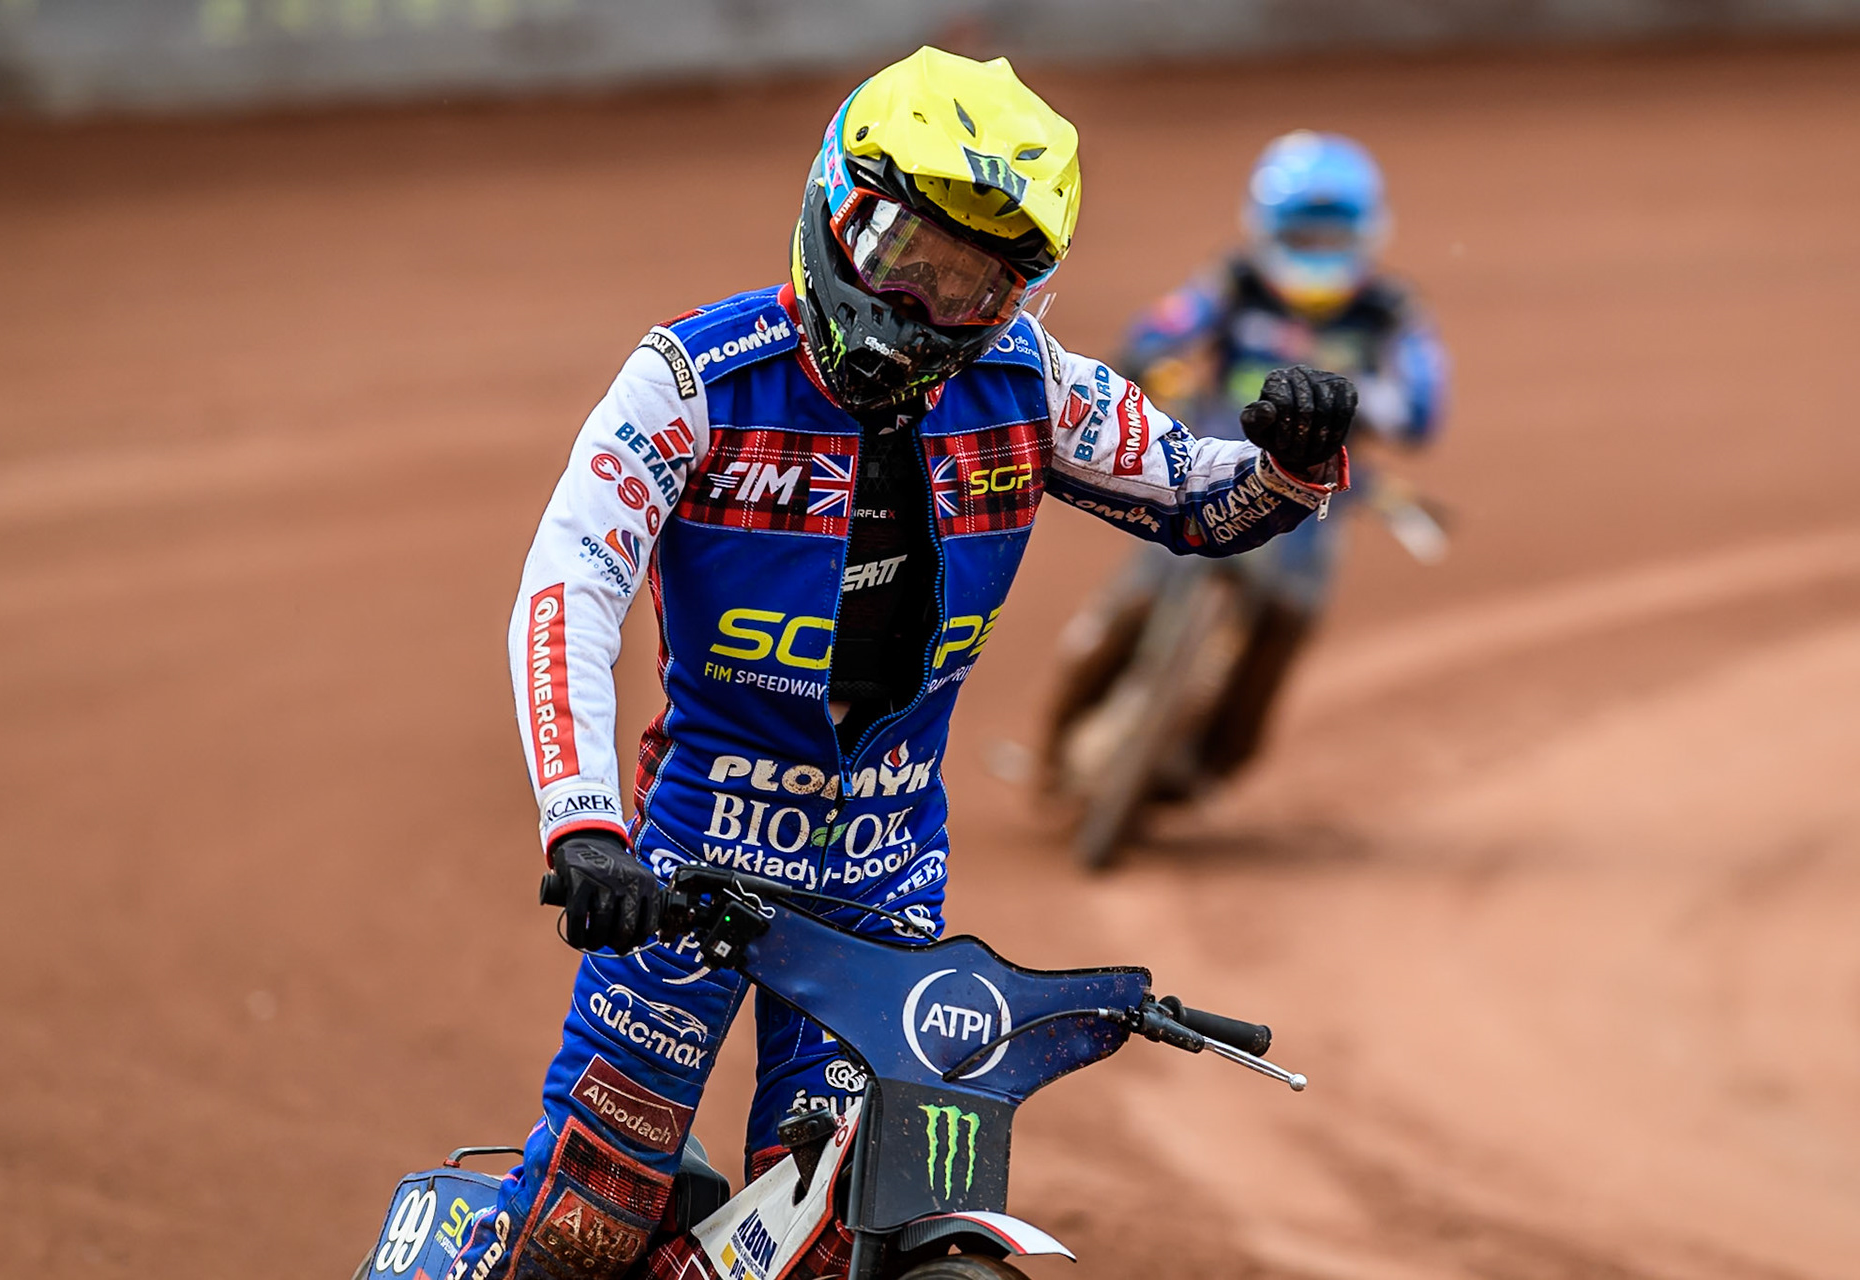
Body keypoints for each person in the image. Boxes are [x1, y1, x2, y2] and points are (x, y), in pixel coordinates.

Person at [452, 49, 1354, 1280]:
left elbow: (1205, 501)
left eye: (976, 280)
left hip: (884, 880)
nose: (927, 305)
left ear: (1020, 291)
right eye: (905, 256)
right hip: (686, 869)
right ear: (837, 205)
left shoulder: (1030, 385)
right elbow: (571, 583)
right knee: (584, 1221)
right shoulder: (690, 382)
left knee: (827, 1240)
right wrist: (583, 828)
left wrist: (1292, 457)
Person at [1040, 130, 1448, 800]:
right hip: (1205, 476)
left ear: (1367, 235)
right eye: (1303, 235)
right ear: (1267, 229)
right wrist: (1146, 360)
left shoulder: (1391, 312)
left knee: (1289, 619)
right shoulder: (1233, 285)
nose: (1317, 254)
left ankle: (1219, 760)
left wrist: (1364, 405)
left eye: (1332, 237)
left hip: (1312, 502)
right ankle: (1056, 742)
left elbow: (1425, 402)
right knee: (1128, 604)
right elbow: (1158, 330)